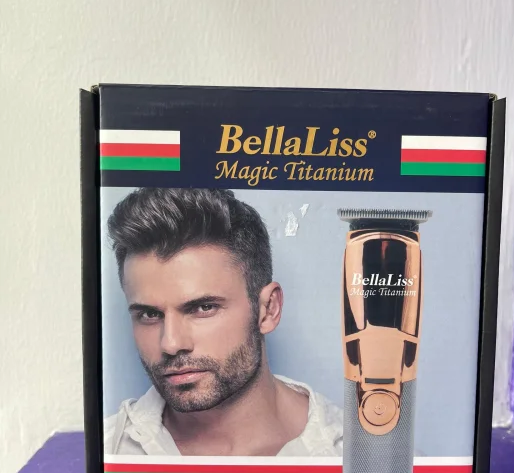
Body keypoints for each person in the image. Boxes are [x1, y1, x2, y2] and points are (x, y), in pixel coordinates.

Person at [103, 187, 343, 456]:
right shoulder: (108, 452)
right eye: (149, 315)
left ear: (268, 310)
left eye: (203, 308)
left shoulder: (353, 454)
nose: (171, 343)